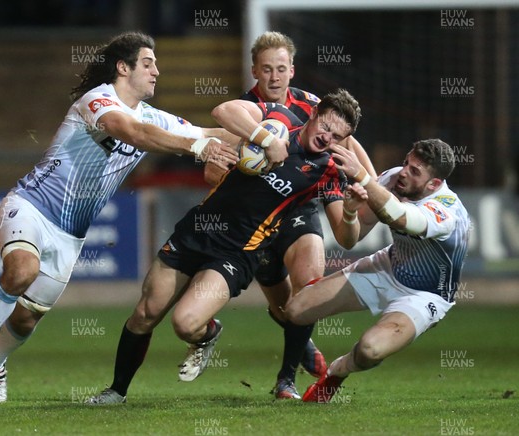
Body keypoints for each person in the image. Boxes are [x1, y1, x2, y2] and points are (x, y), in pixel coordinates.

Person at [0, 32, 242, 402]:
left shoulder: (154, 117)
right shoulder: (97, 100)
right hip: (31, 205)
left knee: (26, 318)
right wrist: (199, 147)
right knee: (21, 270)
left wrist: (265, 138)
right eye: (148, 63)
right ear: (124, 67)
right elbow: (132, 132)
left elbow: (208, 132)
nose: (157, 71)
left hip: (71, 235)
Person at [87, 88, 366, 405]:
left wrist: (353, 209)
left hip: (238, 252)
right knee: (145, 314)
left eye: (336, 136)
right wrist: (267, 140)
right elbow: (223, 111)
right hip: (197, 231)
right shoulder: (278, 119)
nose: (326, 137)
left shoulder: (327, 171)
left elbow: (347, 238)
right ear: (313, 115)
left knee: (185, 323)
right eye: (325, 126)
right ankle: (117, 392)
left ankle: (206, 334)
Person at [206, 31, 377, 399]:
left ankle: (286, 381)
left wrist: (372, 183)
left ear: (291, 70)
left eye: (280, 69)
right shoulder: (245, 111)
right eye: (266, 69)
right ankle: (304, 347)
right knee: (286, 310)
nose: (273, 77)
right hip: (254, 222)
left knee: (310, 286)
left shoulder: (312, 105)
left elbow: (346, 138)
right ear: (254, 71)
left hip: (300, 210)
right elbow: (211, 171)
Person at [284, 138, 470, 403]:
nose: (404, 171)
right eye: (407, 162)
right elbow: (351, 239)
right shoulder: (394, 179)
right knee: (295, 311)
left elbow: (402, 218)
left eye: (415, 171)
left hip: (426, 295)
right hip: (388, 266)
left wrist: (362, 175)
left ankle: (335, 373)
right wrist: (349, 213)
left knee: (369, 350)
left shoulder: (446, 212)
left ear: (434, 184)